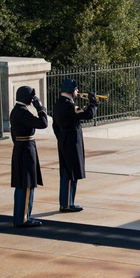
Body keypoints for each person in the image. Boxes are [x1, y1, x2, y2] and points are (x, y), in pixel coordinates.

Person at [52, 78, 97, 213]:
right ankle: (67, 203)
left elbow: (55, 125)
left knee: (67, 171)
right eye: (76, 89)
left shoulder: (57, 104)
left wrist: (61, 138)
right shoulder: (69, 105)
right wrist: (93, 102)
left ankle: (66, 202)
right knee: (71, 172)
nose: (77, 91)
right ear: (71, 90)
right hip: (71, 140)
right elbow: (88, 115)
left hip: (63, 138)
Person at [9, 85, 48, 228]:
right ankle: (23, 218)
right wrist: (40, 108)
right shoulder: (22, 113)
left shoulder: (15, 111)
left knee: (21, 185)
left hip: (20, 148)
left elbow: (13, 134)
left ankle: (19, 216)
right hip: (26, 151)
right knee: (26, 185)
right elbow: (43, 123)